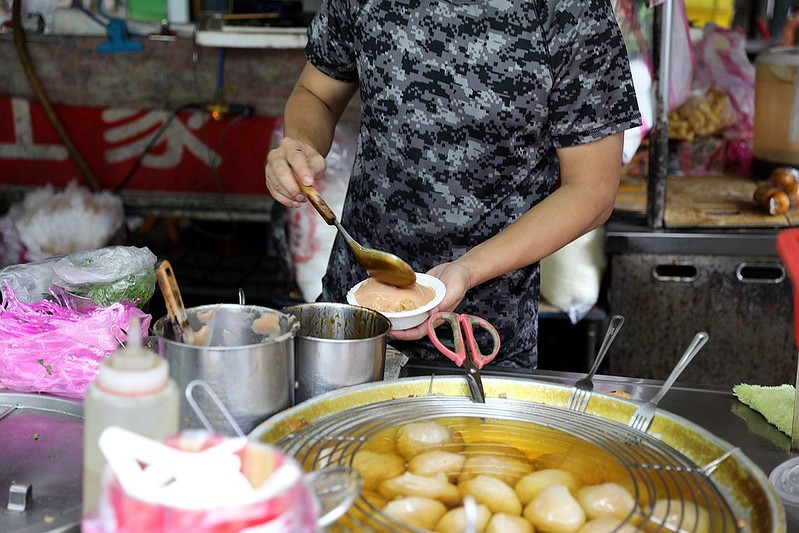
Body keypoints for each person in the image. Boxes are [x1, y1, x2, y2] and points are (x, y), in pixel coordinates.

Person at [265, 0, 642, 369]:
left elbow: (592, 191)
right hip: (354, 320)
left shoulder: (572, 10)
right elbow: (316, 93)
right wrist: (302, 144)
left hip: (481, 336)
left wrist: (467, 270)